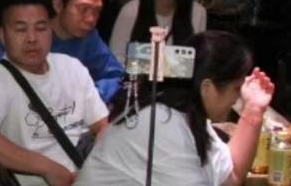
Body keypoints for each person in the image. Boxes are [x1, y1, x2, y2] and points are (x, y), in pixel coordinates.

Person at [77, 31, 275, 186]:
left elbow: (231, 176)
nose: (238, 98)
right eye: (236, 88)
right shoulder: (162, 124)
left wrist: (253, 111)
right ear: (207, 88)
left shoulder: (188, 117)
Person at [0, 0, 109, 186]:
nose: (32, 38)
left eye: (40, 28)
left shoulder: (72, 67)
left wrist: (94, 171)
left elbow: (102, 126)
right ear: (2, 36)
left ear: (51, 30)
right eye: (21, 29)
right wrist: (49, 169)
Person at [0, 0, 124, 104]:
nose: (91, 18)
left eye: (97, 11)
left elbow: (116, 76)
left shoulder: (89, 37)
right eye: (83, 9)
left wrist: (88, 97)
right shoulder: (15, 34)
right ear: (58, 5)